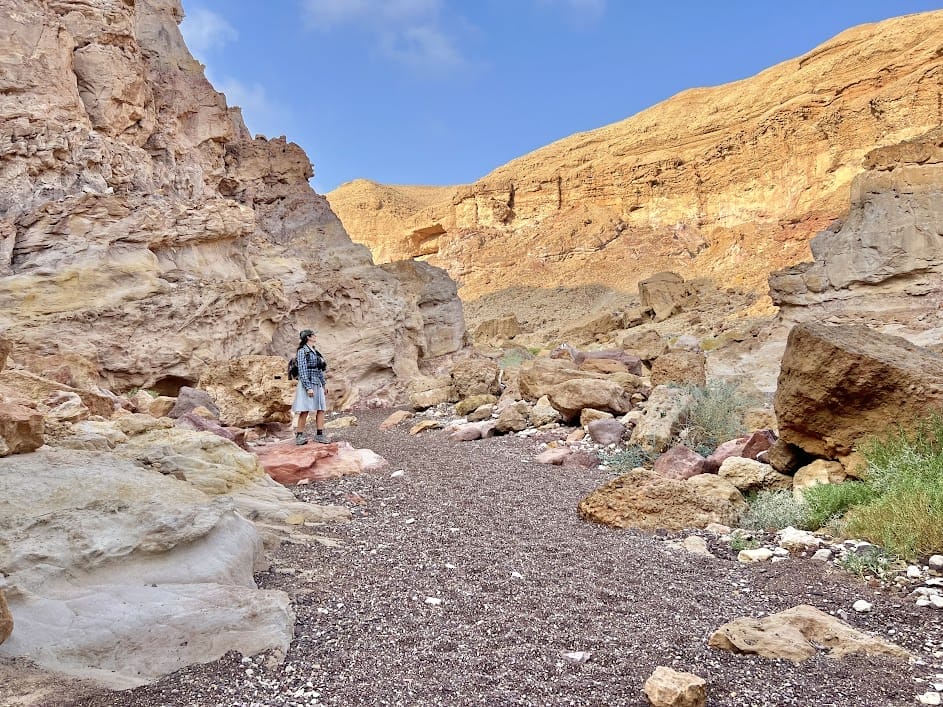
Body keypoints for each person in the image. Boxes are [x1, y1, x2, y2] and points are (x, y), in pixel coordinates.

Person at [291, 328, 329, 445]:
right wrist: (308, 387)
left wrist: (323, 384)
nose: (315, 336)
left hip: (316, 382)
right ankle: (299, 435)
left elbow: (319, 370)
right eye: (313, 335)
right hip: (308, 383)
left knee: (321, 408)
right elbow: (302, 371)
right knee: (305, 410)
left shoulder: (314, 351)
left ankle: (319, 434)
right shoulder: (302, 351)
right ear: (308, 337)